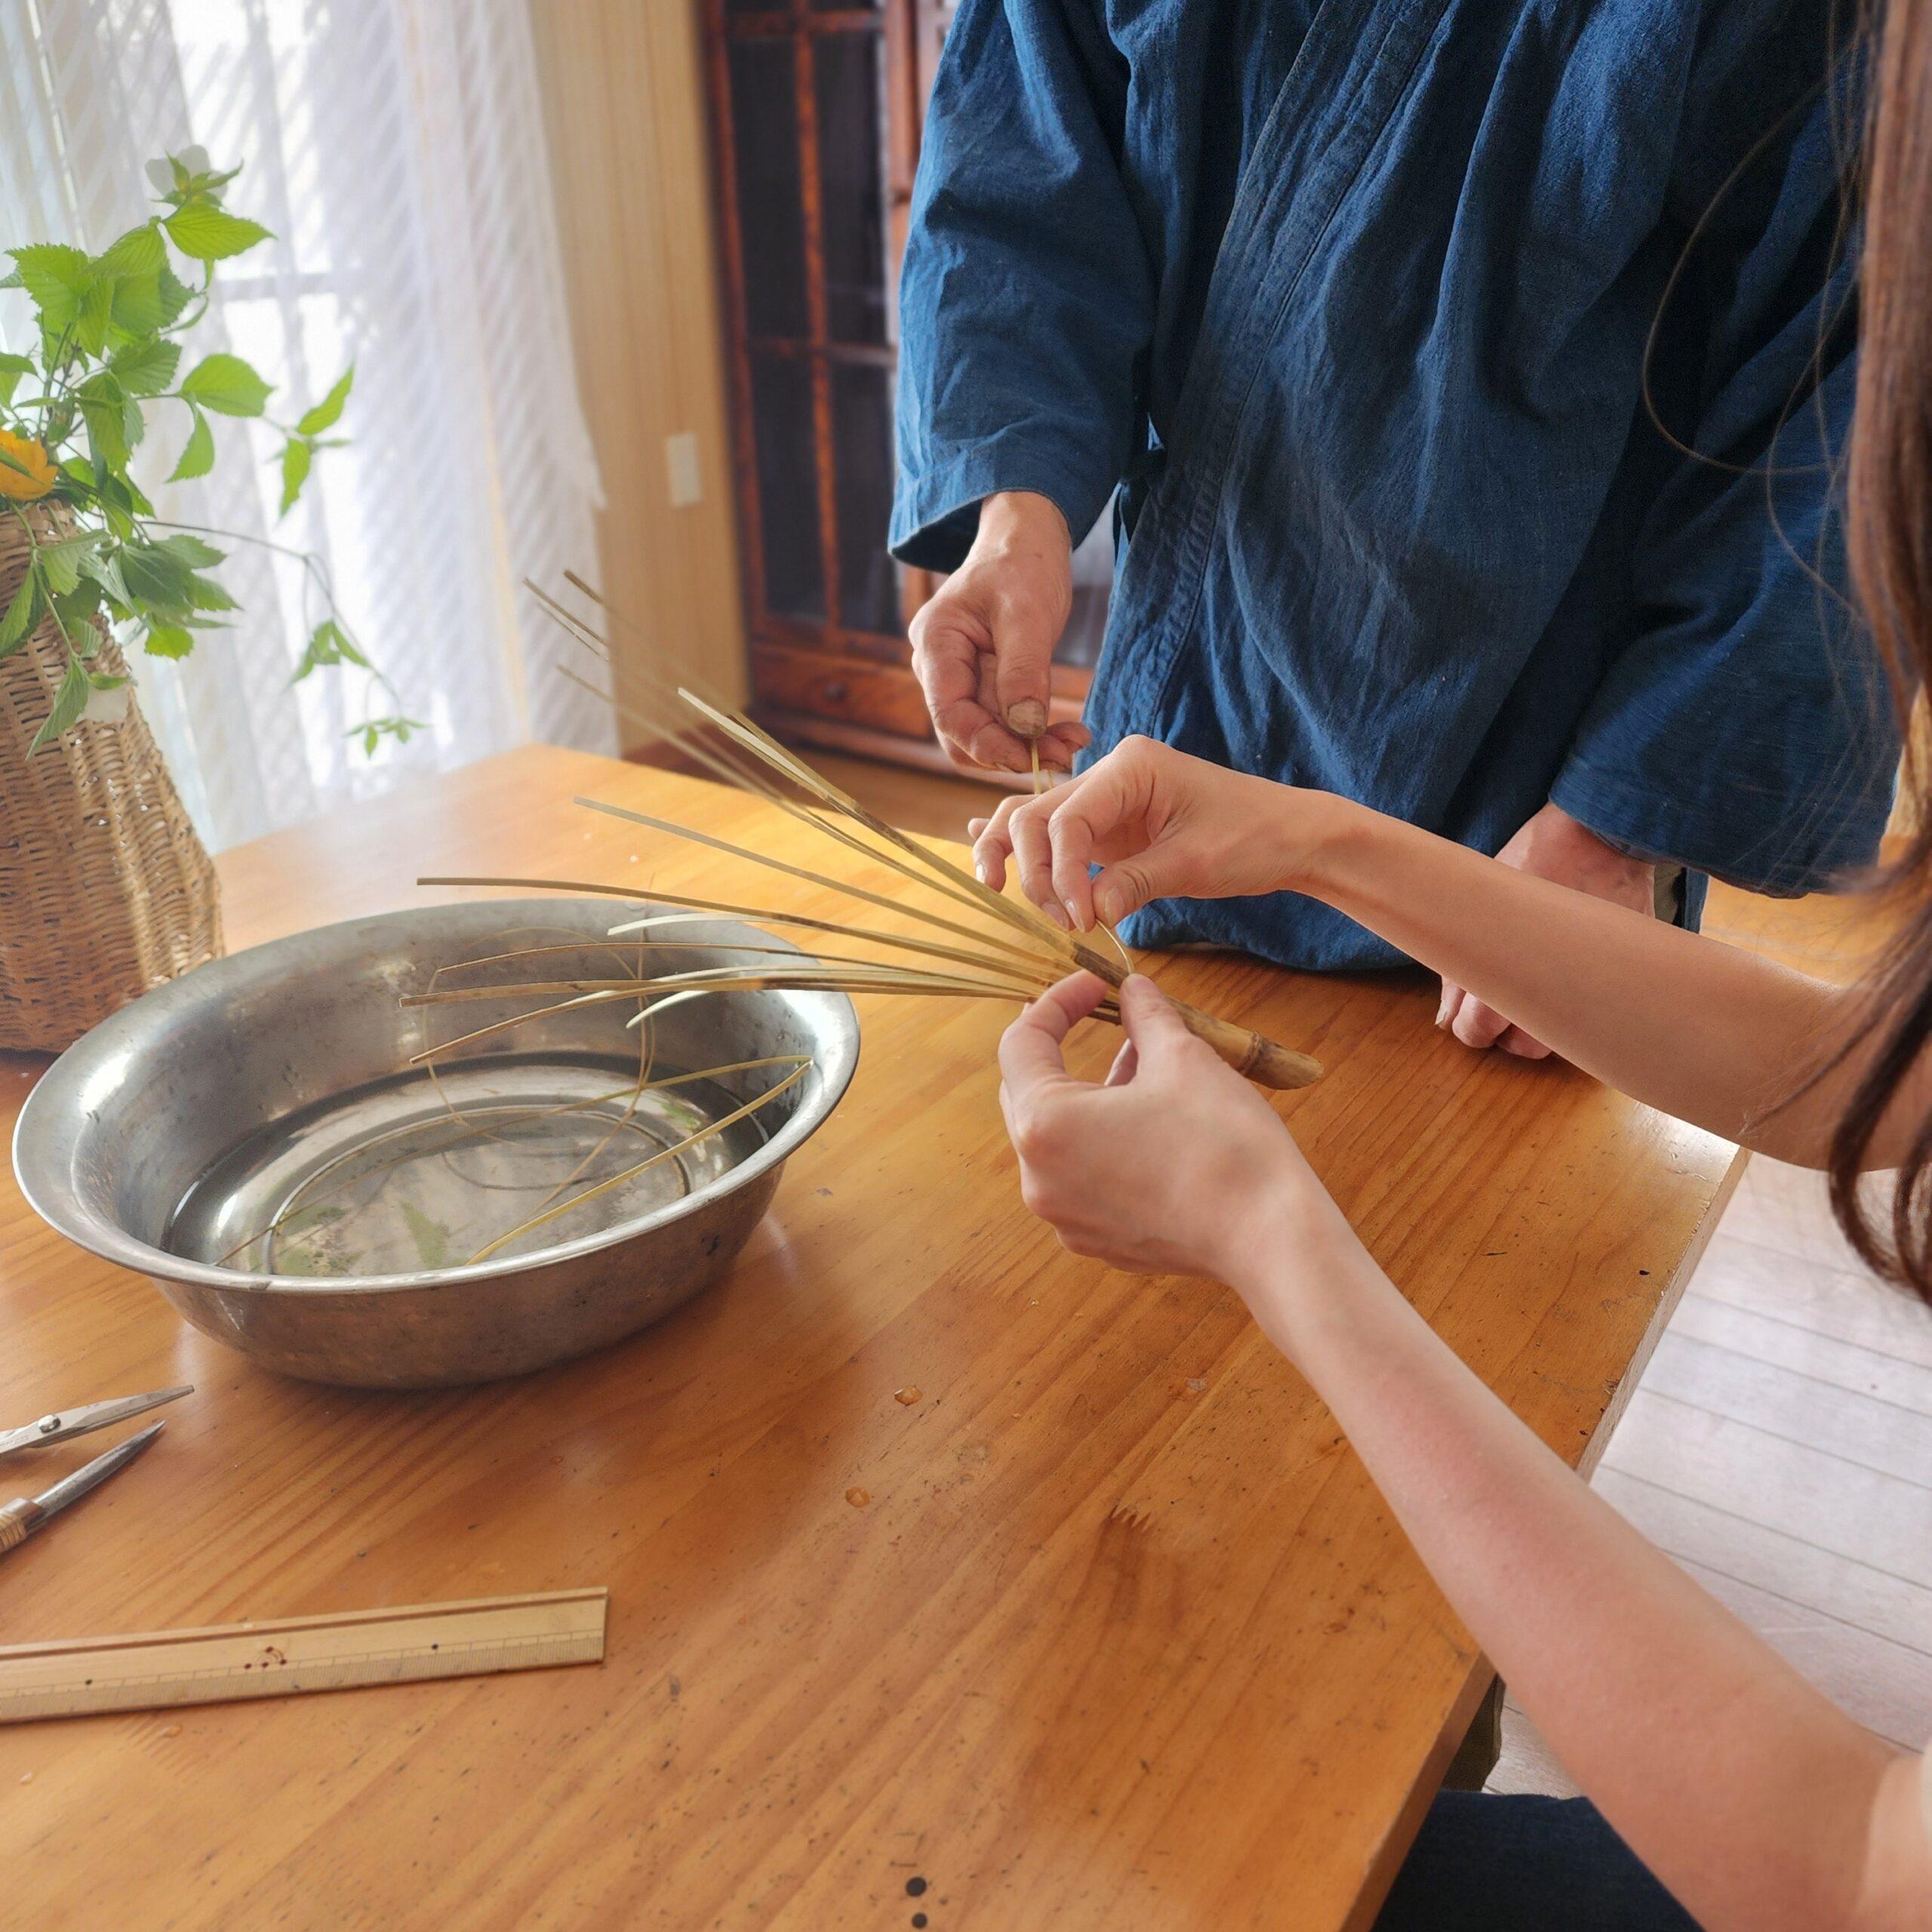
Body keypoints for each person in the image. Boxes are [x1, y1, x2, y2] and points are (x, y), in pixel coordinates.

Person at [960, 2, 1932, 1922]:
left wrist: (1274, 1241)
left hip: (1821, 1863)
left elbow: (1836, 1854)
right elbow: (1865, 1090)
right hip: (1241, 667)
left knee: (1246, 1824)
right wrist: (1322, 835)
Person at [891, 0, 1898, 1060]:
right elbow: (1024, 178)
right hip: (1199, 683)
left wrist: (1612, 825)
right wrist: (1019, 519)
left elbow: (1845, 398)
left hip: (1535, 788)